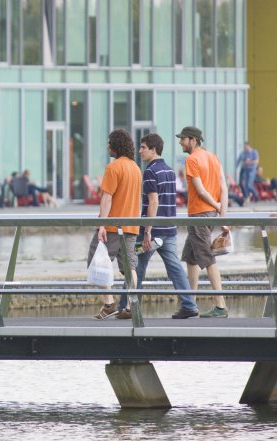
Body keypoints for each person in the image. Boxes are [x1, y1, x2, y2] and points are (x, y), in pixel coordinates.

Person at [120, 133, 199, 319]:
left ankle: (128, 307)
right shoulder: (170, 171)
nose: (139, 151)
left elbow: (153, 202)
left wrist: (146, 231)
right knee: (175, 269)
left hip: (152, 231)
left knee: (135, 267)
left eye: (143, 147)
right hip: (168, 229)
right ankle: (189, 305)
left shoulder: (150, 171)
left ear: (154, 149)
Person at [89, 128, 142, 321]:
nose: (107, 146)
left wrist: (102, 224)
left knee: (96, 261)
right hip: (131, 226)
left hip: (112, 226)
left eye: (109, 142)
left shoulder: (113, 168)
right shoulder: (136, 168)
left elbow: (107, 198)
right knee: (130, 268)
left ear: (115, 145)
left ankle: (109, 303)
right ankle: (130, 305)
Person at [177, 126, 230, 318]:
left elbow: (200, 190)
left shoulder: (191, 160)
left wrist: (216, 207)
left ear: (193, 140)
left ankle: (220, 305)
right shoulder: (213, 157)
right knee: (191, 257)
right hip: (210, 215)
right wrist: (222, 216)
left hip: (199, 214)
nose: (180, 142)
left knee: (207, 257)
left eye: (183, 139)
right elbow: (224, 187)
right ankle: (190, 304)